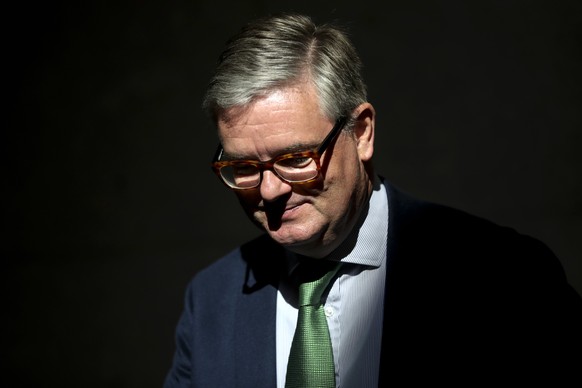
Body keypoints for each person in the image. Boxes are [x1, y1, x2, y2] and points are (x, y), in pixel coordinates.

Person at [164, 13, 582, 387]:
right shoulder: (212, 301)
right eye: (244, 168)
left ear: (361, 132)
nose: (270, 190)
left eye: (295, 159)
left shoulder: (504, 277)